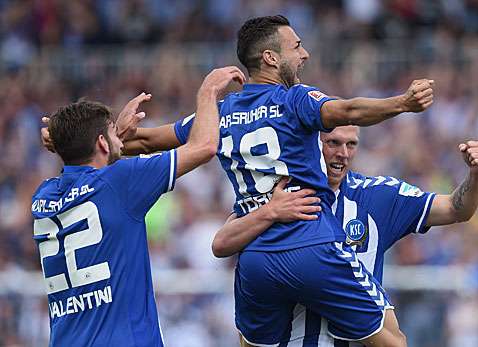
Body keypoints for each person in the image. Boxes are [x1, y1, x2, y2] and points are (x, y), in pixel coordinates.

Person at [114, 15, 435, 347]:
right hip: (311, 243)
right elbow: (349, 111)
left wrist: (108, 136)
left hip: (256, 259)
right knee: (391, 337)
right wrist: (402, 104)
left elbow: (147, 142)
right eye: (296, 46)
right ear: (270, 57)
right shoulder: (294, 99)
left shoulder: (220, 113)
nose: (304, 54)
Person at [211, 125, 478, 346]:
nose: (342, 153)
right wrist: (269, 212)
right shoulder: (279, 193)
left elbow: (455, 209)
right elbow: (222, 242)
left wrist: (476, 173)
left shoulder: (378, 196)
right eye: (332, 143)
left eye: (351, 144)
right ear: (310, 143)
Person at [31, 66, 244, 347]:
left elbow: (84, 161)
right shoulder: (121, 181)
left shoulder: (43, 196)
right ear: (102, 144)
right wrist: (207, 92)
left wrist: (91, 138)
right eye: (114, 134)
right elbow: (204, 146)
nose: (121, 138)